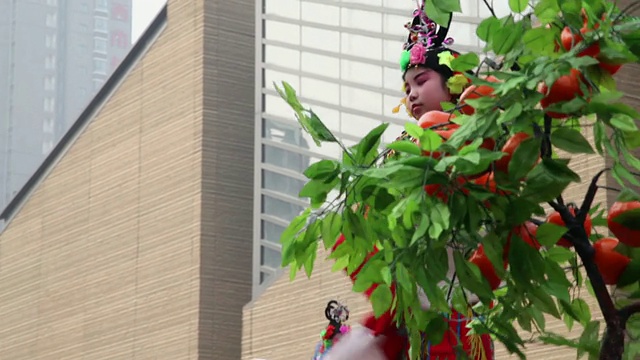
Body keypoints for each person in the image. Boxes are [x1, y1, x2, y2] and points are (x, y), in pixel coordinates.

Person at [319, 4, 495, 360]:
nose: (411, 93)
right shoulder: (405, 151)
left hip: (458, 299)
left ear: (455, 83)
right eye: (407, 86)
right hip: (417, 300)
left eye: (421, 80)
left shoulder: (477, 140)